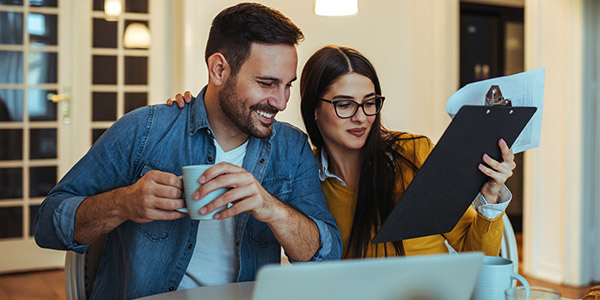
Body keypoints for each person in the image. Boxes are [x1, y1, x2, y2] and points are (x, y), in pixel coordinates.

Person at [33, 4, 342, 299]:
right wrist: (125, 203)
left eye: (287, 85)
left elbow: (326, 257)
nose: (281, 101)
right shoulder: (145, 130)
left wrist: (269, 207)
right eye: (266, 83)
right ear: (219, 69)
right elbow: (48, 226)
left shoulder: (291, 147)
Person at [169, 45, 514, 259]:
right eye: (344, 105)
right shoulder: (302, 177)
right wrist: (195, 106)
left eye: (369, 103)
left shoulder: (413, 153)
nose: (361, 117)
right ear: (314, 110)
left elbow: (476, 252)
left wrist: (490, 199)